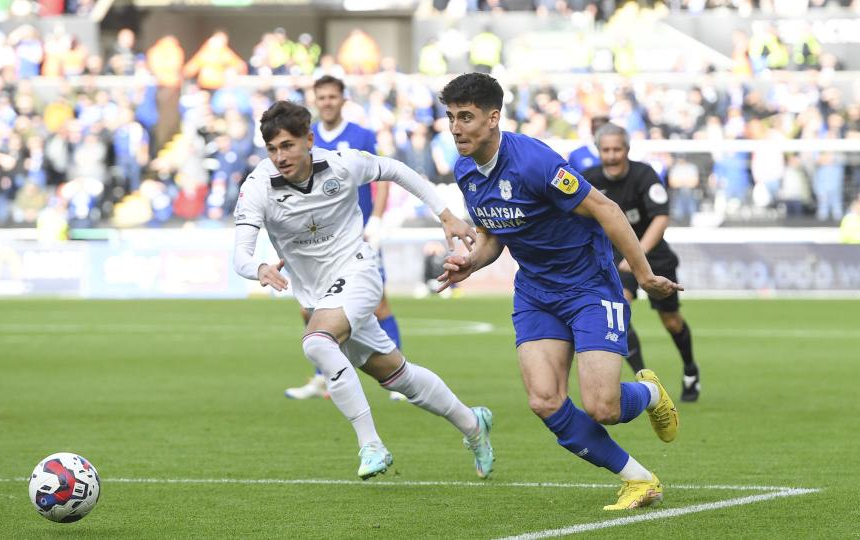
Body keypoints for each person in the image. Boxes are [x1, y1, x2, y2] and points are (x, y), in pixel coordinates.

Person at [436, 73, 681, 510]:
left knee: (602, 407)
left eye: (466, 117)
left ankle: (649, 393)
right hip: (535, 292)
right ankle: (639, 479)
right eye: (451, 117)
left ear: (493, 118)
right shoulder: (465, 170)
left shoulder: (535, 163)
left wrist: (642, 275)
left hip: (589, 285)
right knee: (545, 400)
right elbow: (493, 234)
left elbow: (606, 209)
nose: (456, 128)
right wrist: (470, 263)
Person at [234, 100, 494, 480]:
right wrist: (257, 267)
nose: (280, 156)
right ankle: (473, 424)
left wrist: (446, 213)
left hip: (358, 271)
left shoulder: (341, 163)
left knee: (317, 342)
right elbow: (239, 254)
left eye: (288, 145)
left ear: (309, 139)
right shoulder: (258, 186)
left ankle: (371, 444)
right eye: (272, 149)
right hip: (320, 294)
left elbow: (396, 169)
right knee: (397, 375)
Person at [284, 75, 406, 402]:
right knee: (309, 307)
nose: (326, 102)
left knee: (378, 303)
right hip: (318, 240)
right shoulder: (305, 139)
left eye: (332, 97)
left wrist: (377, 218)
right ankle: (324, 378)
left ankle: (399, 378)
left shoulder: (361, 135)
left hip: (357, 235)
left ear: (342, 99)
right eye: (321, 97)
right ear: (315, 100)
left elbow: (380, 176)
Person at [583, 123, 701, 402]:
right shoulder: (587, 178)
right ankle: (646, 378)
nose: (611, 156)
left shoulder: (644, 175)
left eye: (617, 149)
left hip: (653, 254)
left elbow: (661, 218)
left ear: (627, 150)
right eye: (606, 150)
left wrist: (636, 255)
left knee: (671, 321)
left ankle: (690, 369)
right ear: (599, 150)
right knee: (619, 310)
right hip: (612, 257)